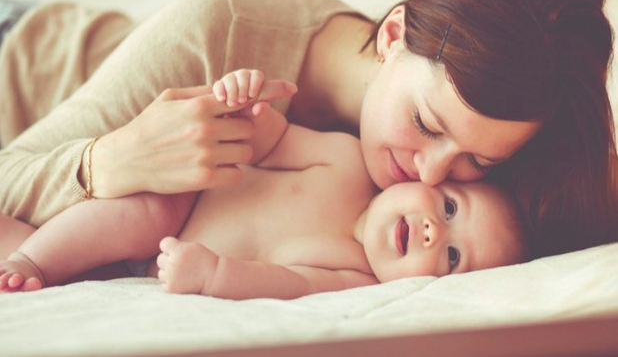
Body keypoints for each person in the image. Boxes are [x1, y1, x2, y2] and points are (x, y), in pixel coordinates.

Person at [0, 0, 616, 258]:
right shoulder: (223, 30)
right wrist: (111, 162)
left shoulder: (495, 121)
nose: (430, 174)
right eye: (425, 125)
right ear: (392, 35)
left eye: (477, 161)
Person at [0, 69, 528, 298]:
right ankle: (34, 261)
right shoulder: (344, 161)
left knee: (90, 270)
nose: (436, 233)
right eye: (451, 209)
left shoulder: (356, 277)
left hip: (178, 263)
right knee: (147, 212)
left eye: (453, 259)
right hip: (184, 202)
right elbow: (270, 140)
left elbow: (288, 285)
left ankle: (18, 258)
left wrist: (214, 274)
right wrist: (244, 100)